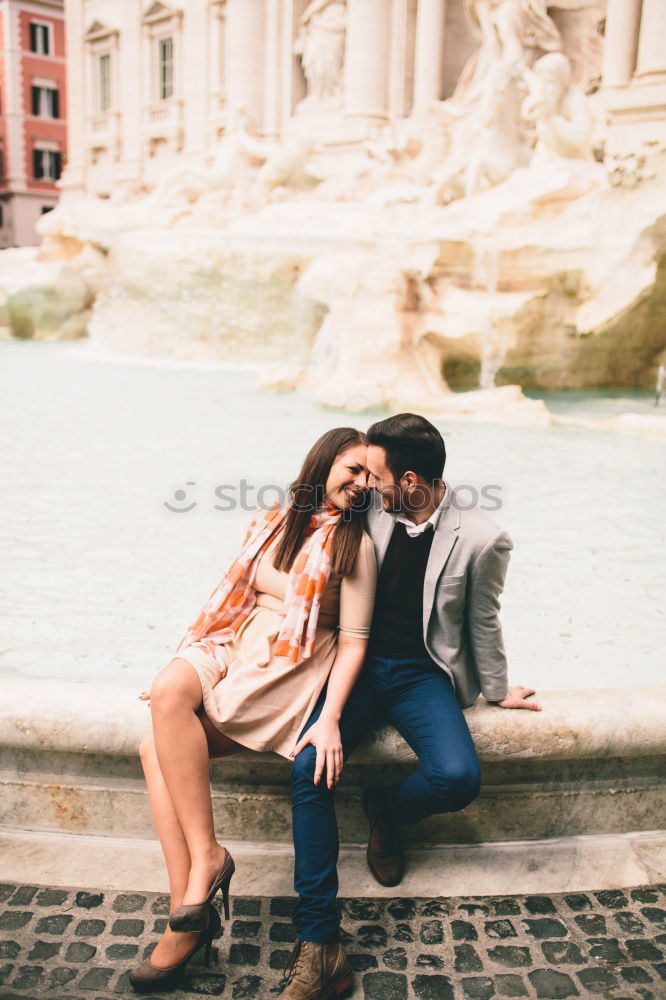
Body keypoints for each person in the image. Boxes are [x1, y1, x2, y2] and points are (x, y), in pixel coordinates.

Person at [284, 413, 541, 1000]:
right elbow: (303, 525)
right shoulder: (365, 508)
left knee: (457, 777)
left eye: (376, 475)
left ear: (409, 477)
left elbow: (482, 617)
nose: (366, 485)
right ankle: (319, 939)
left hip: (421, 674)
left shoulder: (481, 536)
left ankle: (389, 813)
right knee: (308, 766)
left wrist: (497, 689)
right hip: (354, 666)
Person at [128, 427, 376, 993]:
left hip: (290, 666)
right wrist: (197, 650)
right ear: (324, 461)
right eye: (352, 469)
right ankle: (205, 865)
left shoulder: (354, 545)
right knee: (168, 692)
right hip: (236, 642)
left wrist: (331, 716)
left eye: (370, 477)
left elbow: (356, 640)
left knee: (152, 747)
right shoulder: (274, 518)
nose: (361, 485)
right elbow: (234, 593)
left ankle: (185, 913)